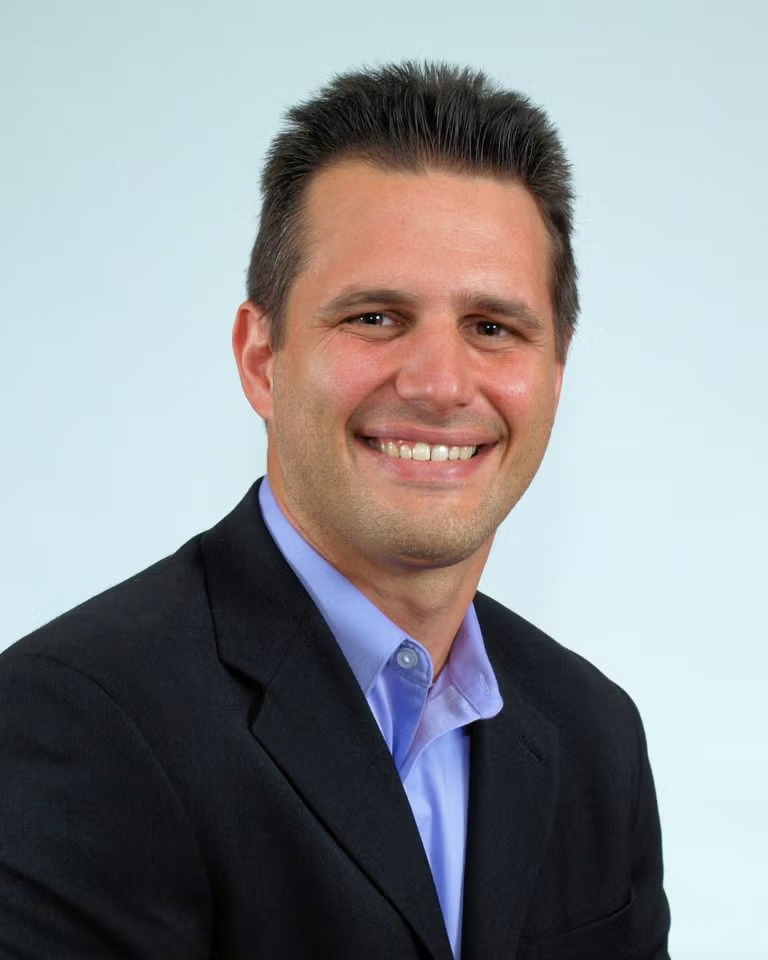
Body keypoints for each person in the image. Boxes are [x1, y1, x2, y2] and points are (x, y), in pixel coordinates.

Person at [0, 62, 670, 959]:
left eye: (494, 328)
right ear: (261, 356)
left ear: (556, 371)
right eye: (376, 317)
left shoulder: (596, 736)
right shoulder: (77, 723)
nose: (439, 384)